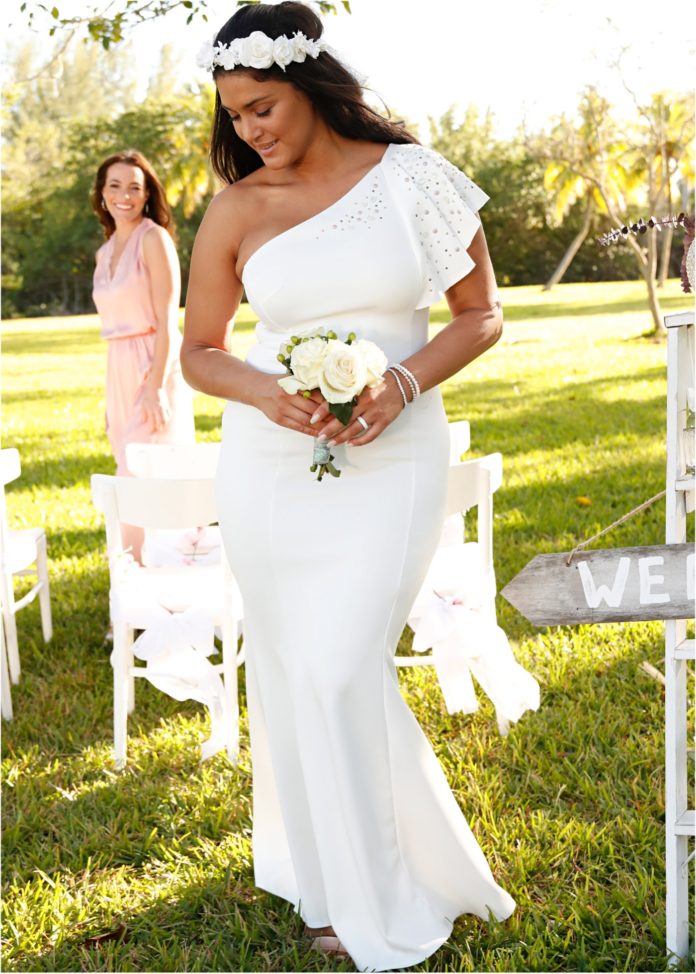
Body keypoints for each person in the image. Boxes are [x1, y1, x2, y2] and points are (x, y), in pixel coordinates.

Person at [182, 3, 518, 970]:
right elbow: (200, 351)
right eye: (235, 116)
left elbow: (481, 315)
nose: (250, 131)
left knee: (340, 664)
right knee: (294, 674)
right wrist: (264, 394)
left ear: (314, 85)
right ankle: (330, 883)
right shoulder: (238, 206)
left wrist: (403, 381)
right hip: (269, 469)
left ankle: (391, 898)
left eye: (264, 108)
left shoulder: (414, 179)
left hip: (396, 452)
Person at [92, 150, 195, 561]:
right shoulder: (104, 252)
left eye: (134, 187)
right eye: (114, 185)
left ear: (147, 194)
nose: (124, 195)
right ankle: (136, 583)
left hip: (155, 365)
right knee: (129, 468)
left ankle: (142, 576)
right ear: (101, 194)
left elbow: (169, 320)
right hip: (118, 368)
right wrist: (110, 398)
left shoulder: (153, 239)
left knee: (142, 474)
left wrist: (155, 387)